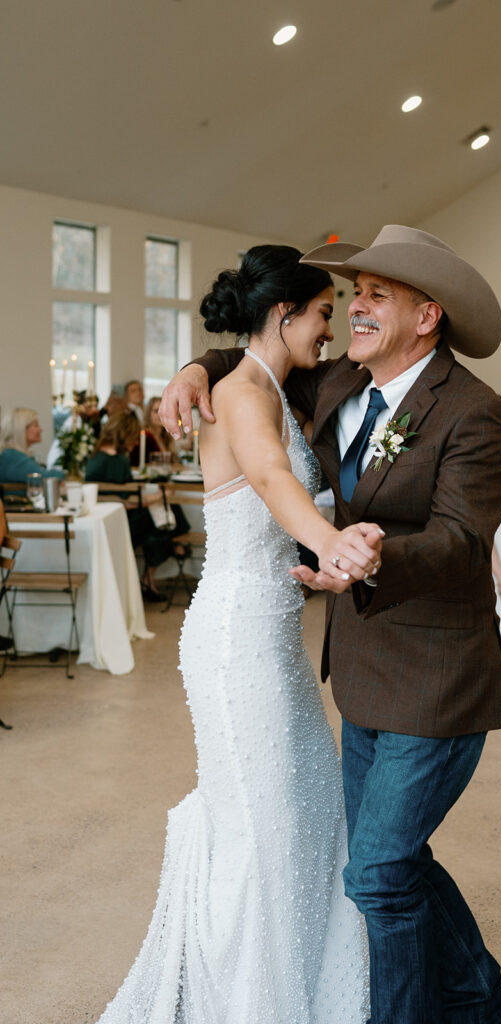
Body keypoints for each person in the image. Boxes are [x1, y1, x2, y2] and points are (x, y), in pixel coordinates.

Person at [160, 225, 501, 1024]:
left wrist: (365, 555)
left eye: (374, 296)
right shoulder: (336, 387)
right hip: (356, 673)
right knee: (393, 862)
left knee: (379, 877)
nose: (354, 309)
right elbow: (251, 362)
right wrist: (194, 366)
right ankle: (476, 995)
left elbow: (462, 545)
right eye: (350, 296)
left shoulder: (473, 413)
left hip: (435, 680)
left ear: (427, 317)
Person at [95, 246, 376, 1023]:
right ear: (283, 314)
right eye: (322, 312)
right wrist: (331, 541)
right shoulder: (242, 394)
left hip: (271, 638)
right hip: (233, 643)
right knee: (259, 826)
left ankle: (298, 988)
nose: (329, 327)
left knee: (303, 810)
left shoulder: (276, 388)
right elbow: (271, 479)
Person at [84, 411, 189, 602]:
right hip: (118, 518)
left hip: (112, 514)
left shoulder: (96, 456)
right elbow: (123, 501)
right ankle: (173, 547)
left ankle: (155, 569)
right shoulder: (118, 460)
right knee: (167, 518)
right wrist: (157, 497)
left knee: (165, 516)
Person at [0, 408, 64, 484]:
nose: (41, 429)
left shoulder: (12, 454)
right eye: (36, 425)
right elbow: (47, 478)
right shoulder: (12, 456)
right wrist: (63, 474)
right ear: (21, 429)